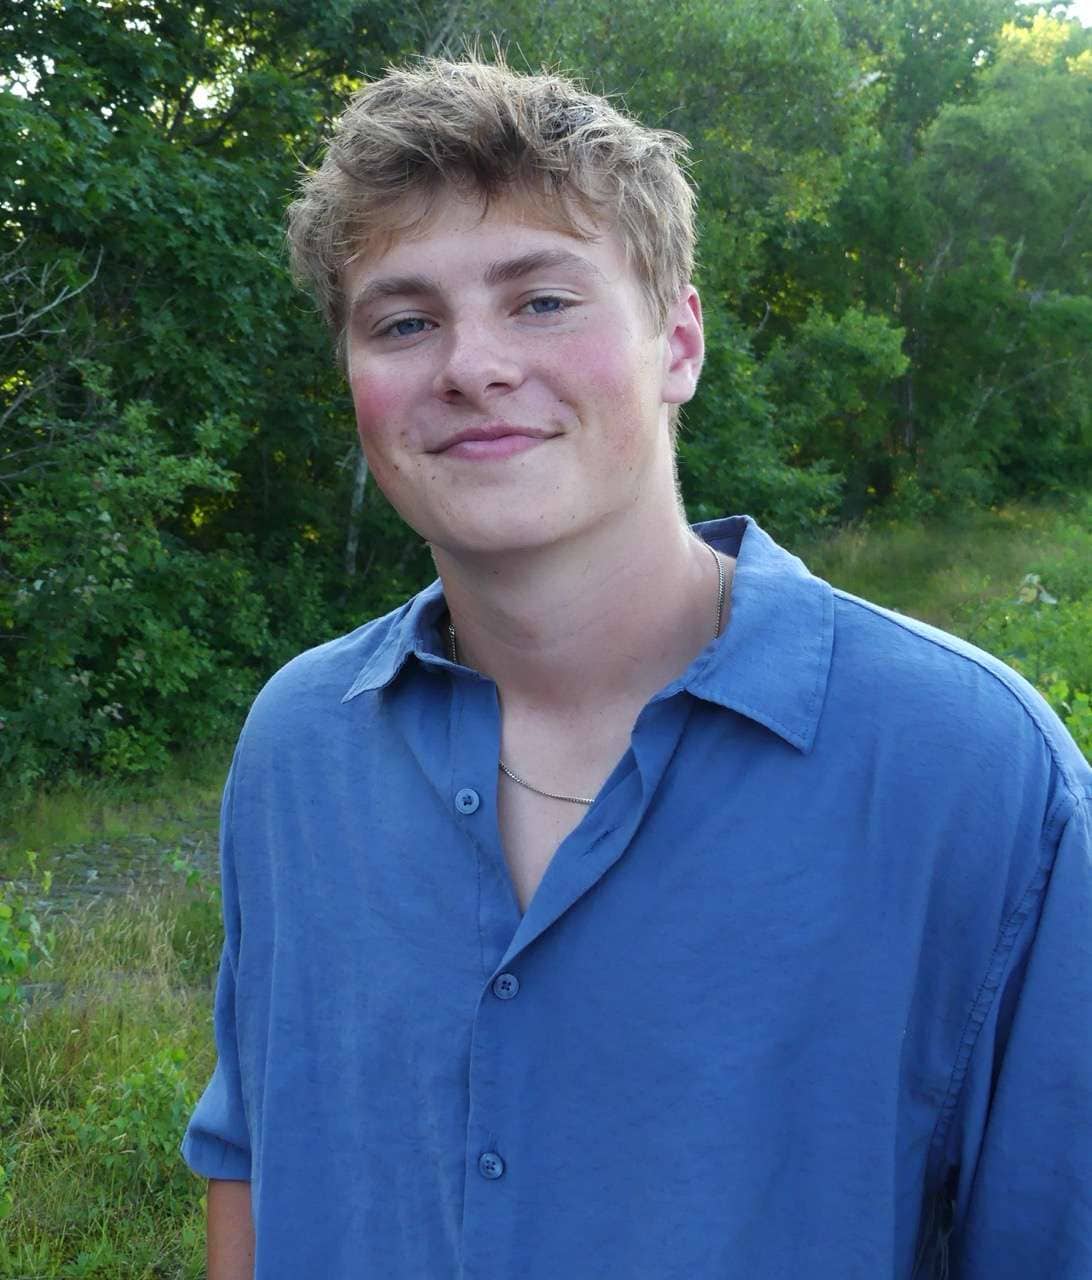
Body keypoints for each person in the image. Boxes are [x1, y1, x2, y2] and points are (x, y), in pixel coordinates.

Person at [182, 55, 1092, 1280]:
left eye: (543, 300)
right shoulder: (299, 745)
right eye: (404, 321)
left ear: (679, 342)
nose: (471, 365)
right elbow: (254, 1149)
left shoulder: (975, 772)